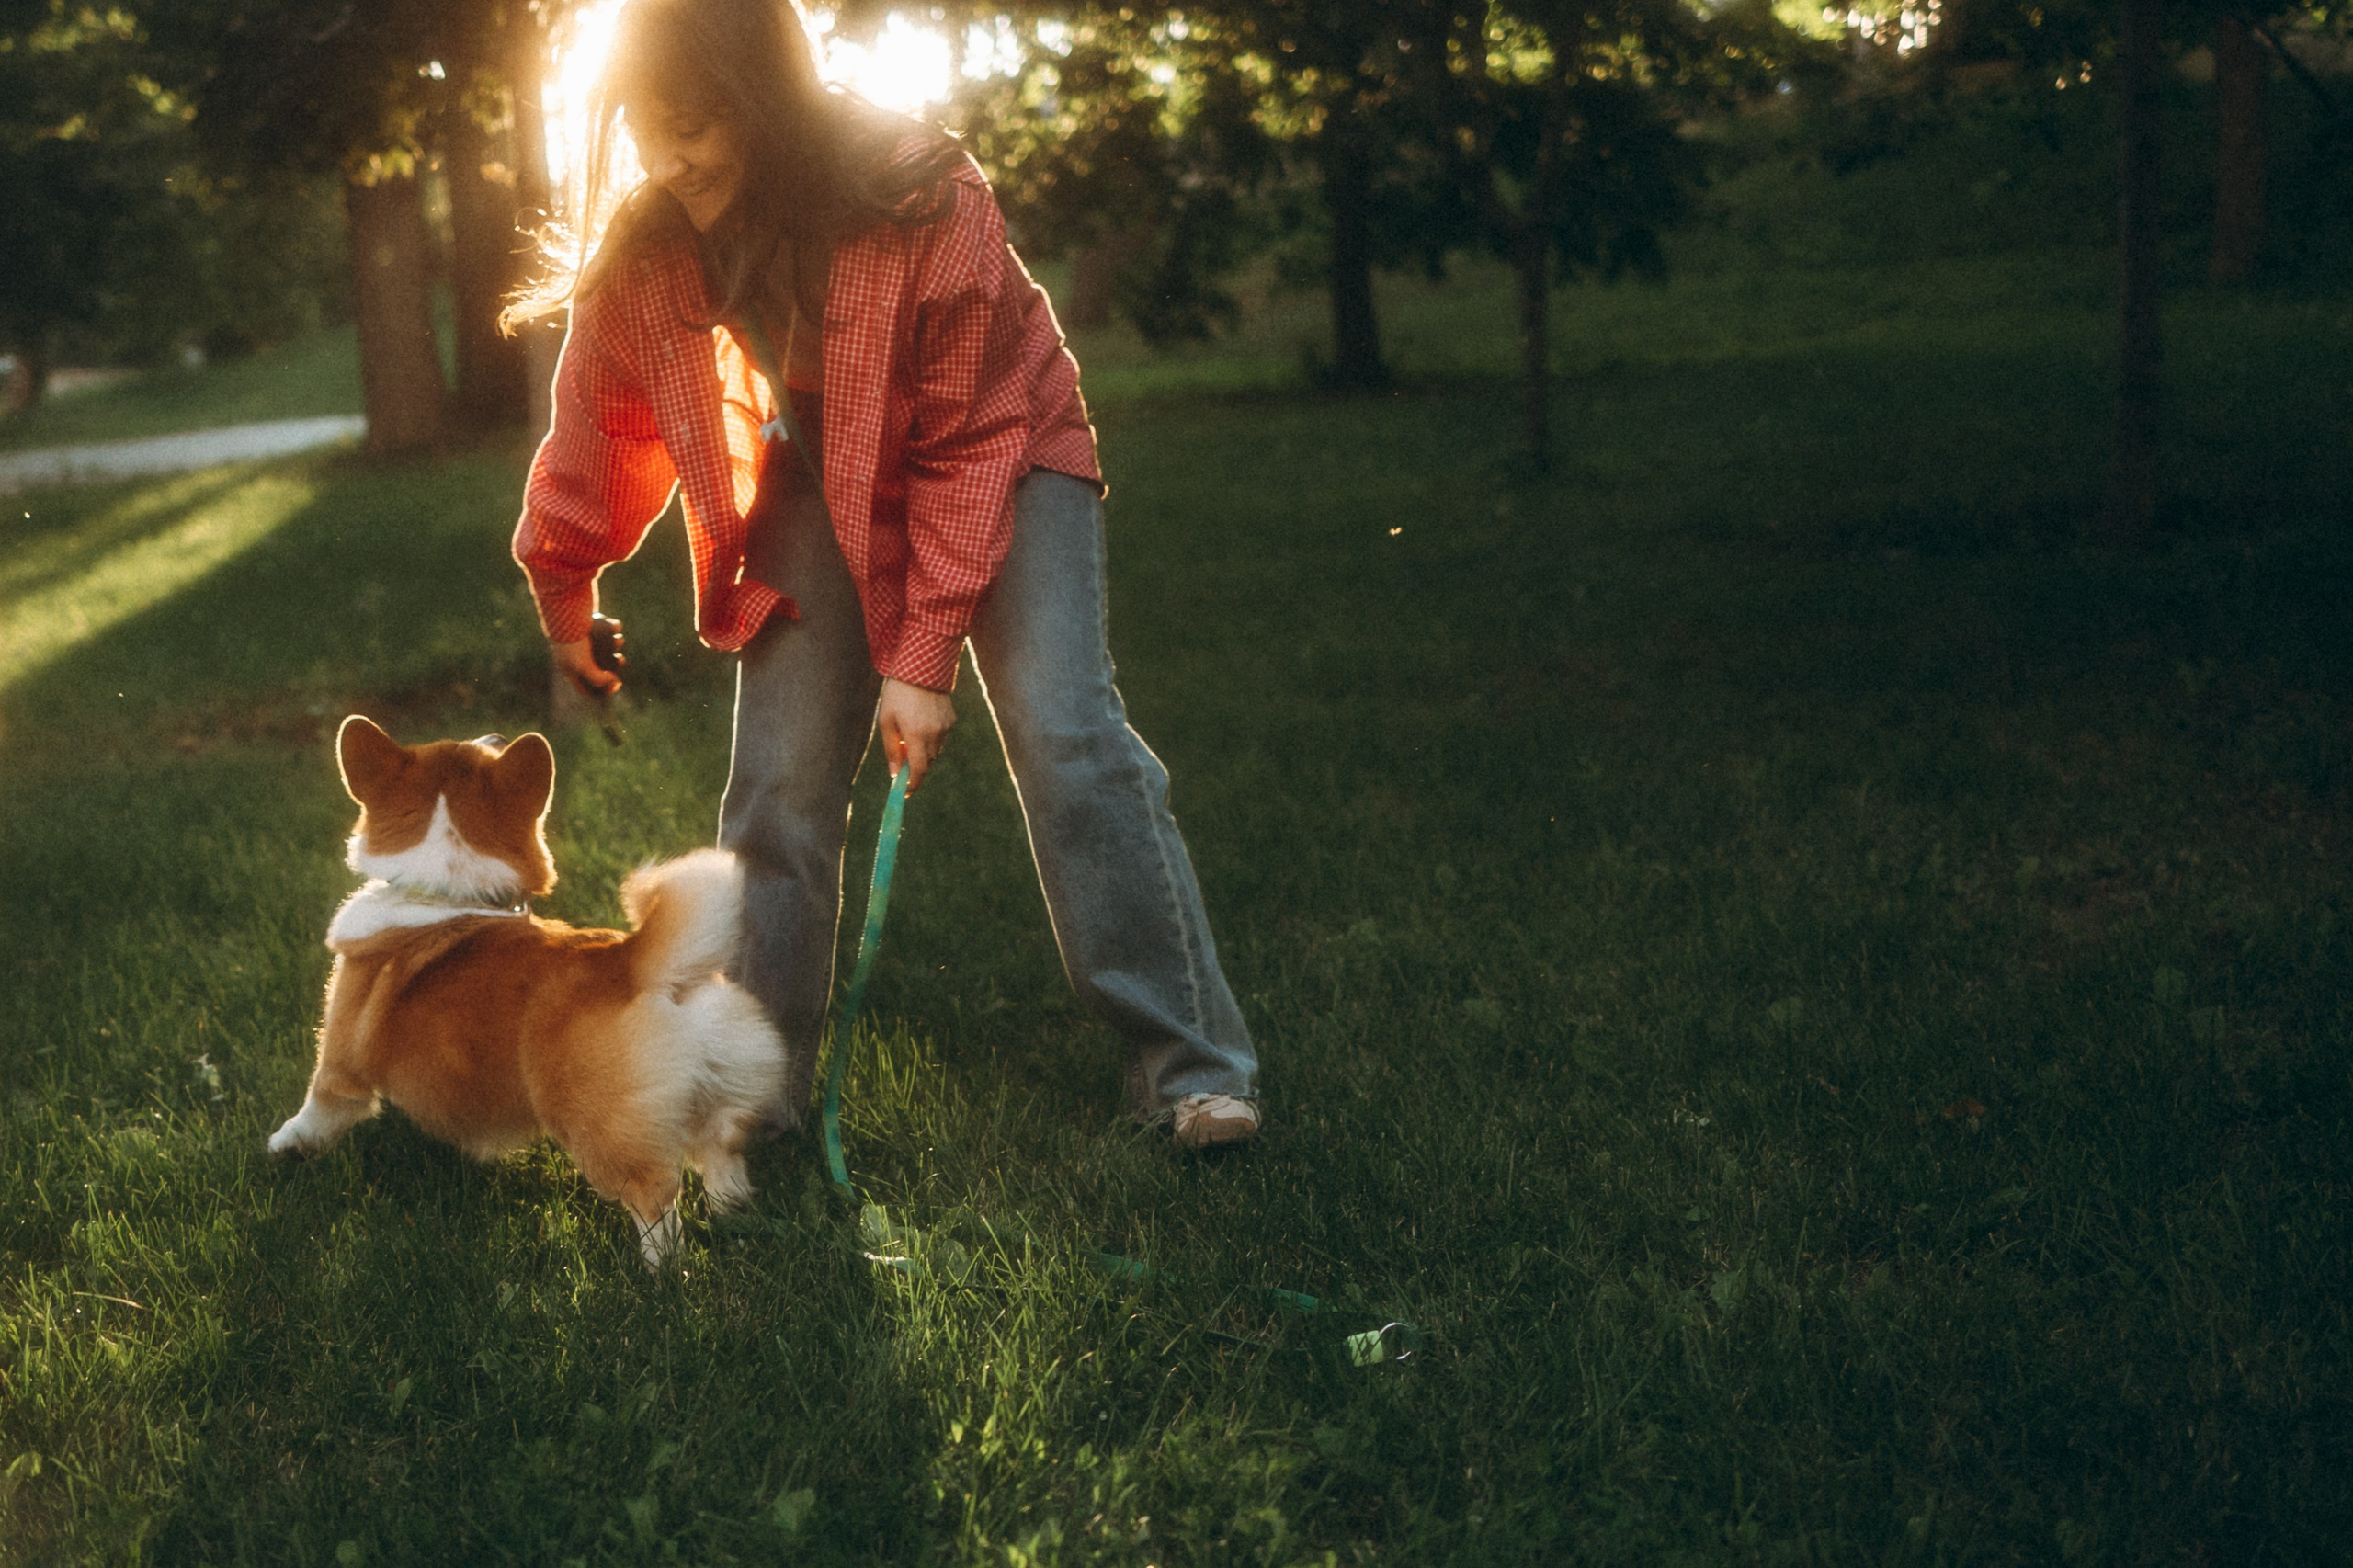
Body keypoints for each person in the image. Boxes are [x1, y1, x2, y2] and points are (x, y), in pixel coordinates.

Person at [504, 0, 1259, 1148]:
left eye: (695, 127)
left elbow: (964, 440)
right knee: (777, 788)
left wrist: (920, 656)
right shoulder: (655, 245)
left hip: (1005, 446)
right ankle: (760, 1101)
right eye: (648, 130)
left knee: (1065, 732)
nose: (668, 159)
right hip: (823, 461)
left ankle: (1192, 1073)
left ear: (761, 102)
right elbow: (600, 430)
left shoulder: (920, 191)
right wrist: (567, 595)